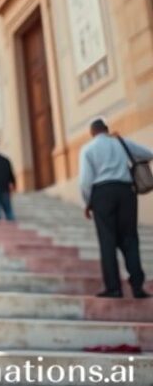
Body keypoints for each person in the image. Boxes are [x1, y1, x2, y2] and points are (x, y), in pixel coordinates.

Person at [79, 118, 152, 299]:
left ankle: (113, 288)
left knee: (107, 241)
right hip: (126, 192)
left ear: (92, 133)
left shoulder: (88, 149)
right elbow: (149, 154)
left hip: (102, 194)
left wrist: (87, 203)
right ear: (107, 129)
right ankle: (137, 287)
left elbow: (85, 181)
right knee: (130, 239)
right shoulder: (120, 141)